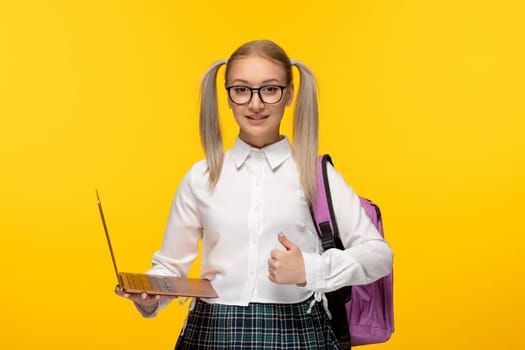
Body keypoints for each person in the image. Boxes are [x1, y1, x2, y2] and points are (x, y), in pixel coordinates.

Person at [115, 39, 393, 349]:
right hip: (212, 331)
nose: (255, 104)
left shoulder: (314, 174)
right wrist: (150, 296)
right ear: (229, 96)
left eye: (270, 89)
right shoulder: (201, 176)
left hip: (297, 331)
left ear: (288, 95)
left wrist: (310, 269)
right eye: (242, 89)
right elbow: (170, 266)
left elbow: (379, 255)